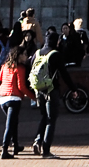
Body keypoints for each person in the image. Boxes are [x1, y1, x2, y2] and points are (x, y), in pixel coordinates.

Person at [29, 28, 67, 157]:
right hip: (51, 90)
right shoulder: (55, 54)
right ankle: (46, 150)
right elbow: (64, 73)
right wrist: (73, 89)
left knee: (44, 116)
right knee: (51, 119)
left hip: (39, 90)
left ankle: (37, 140)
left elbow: (30, 67)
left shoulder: (37, 53)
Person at [0, 44, 33, 158]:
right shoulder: (20, 68)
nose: (26, 57)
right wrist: (33, 97)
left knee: (13, 122)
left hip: (2, 97)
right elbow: (21, 86)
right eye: (24, 54)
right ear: (19, 55)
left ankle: (16, 145)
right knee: (10, 124)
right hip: (14, 98)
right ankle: (4, 149)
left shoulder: (4, 66)